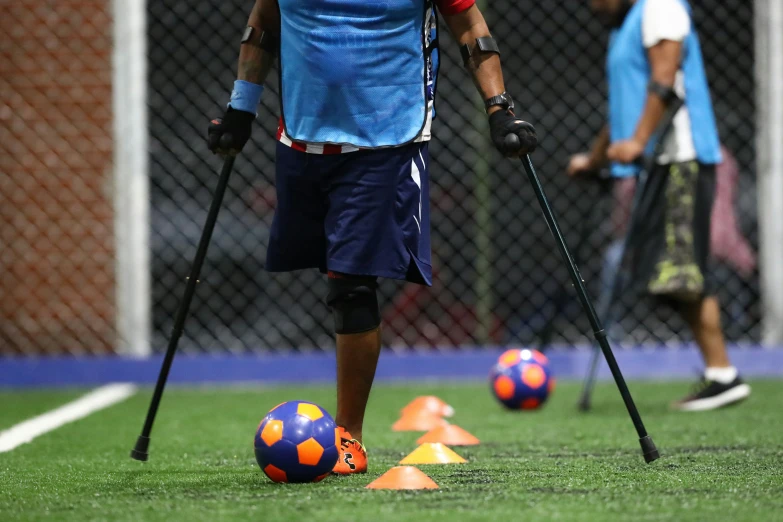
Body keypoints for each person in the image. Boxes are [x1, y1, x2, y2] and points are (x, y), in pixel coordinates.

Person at [207, 0, 537, 473]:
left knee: (351, 284)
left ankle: (348, 438)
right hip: (303, 137)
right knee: (325, 274)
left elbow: (469, 25)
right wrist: (240, 108)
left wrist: (499, 109)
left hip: (387, 138)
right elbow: (264, 23)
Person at [568, 0, 751, 411]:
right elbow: (625, 110)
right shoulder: (625, 27)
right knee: (658, 271)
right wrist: (595, 159)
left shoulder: (661, 6)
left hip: (681, 158)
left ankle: (723, 373)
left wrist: (635, 142)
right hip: (657, 163)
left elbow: (664, 81)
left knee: (678, 270)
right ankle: (721, 373)